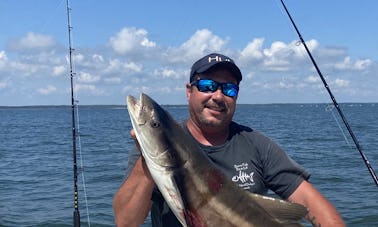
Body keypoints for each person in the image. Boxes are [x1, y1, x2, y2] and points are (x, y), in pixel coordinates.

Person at [113, 53, 345, 227]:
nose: (218, 96)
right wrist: (147, 160)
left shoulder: (257, 145)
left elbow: (313, 204)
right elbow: (126, 222)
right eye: (207, 86)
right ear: (189, 91)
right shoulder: (147, 150)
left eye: (229, 89)